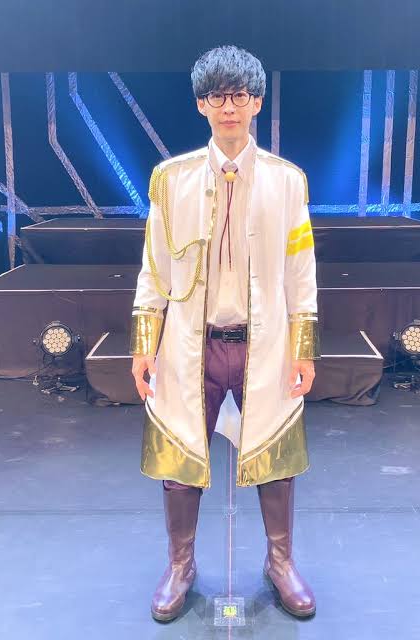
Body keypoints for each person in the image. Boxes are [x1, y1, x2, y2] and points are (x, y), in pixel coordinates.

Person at [130, 45, 320, 622]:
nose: (229, 106)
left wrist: (304, 347)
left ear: (257, 102)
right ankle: (180, 565)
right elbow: (154, 266)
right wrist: (143, 343)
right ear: (201, 105)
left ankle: (280, 562)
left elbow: (301, 268)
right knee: (180, 454)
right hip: (190, 344)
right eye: (217, 96)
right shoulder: (171, 180)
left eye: (239, 95)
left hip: (266, 345)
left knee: (275, 454)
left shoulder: (287, 180)